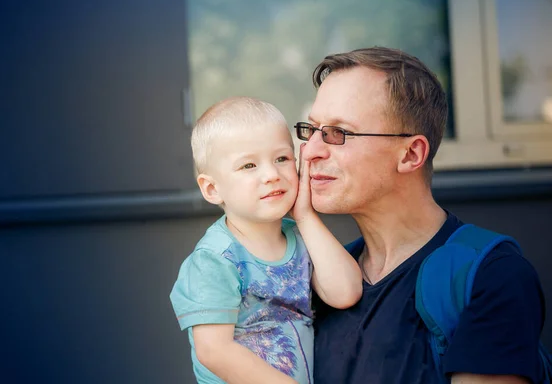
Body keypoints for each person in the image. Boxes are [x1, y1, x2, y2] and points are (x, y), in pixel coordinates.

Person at [295, 46, 546, 383]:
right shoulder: (319, 279)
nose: (310, 151)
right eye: (311, 130)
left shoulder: (491, 276)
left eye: (338, 133)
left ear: (411, 154)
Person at [169, 96, 363, 384]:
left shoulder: (300, 237)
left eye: (282, 159)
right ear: (212, 189)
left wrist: (306, 217)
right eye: (249, 166)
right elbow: (214, 350)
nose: (272, 175)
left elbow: (345, 292)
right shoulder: (214, 260)